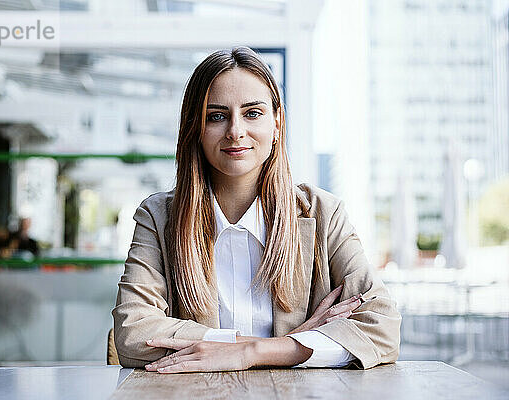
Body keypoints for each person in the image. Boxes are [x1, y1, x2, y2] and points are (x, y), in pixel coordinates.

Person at [112, 46, 401, 373]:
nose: (236, 131)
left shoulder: (323, 213)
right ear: (196, 128)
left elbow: (383, 327)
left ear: (277, 123)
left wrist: (253, 352)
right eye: (217, 116)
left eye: (252, 113)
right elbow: (133, 333)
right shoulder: (158, 216)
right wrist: (291, 344)